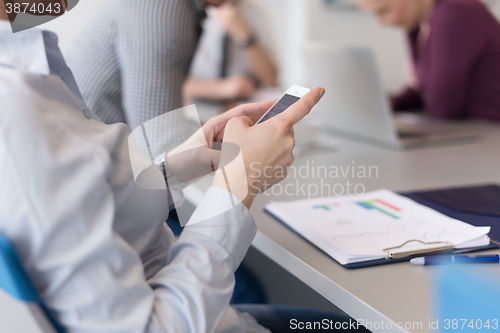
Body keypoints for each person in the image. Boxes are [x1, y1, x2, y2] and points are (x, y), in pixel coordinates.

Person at [1, 2, 374, 332]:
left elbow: (91, 195)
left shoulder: (30, 68)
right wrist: (239, 181)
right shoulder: (18, 106)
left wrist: (173, 166)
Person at [356, 0, 500, 122]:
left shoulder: (454, 13)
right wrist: (391, 103)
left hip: (491, 132)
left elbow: (443, 107)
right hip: (475, 129)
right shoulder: (418, 25)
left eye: (383, 11)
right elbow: (421, 88)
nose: (379, 23)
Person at [183, 0, 278, 104]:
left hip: (243, 106)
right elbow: (171, 81)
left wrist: (245, 37)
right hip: (197, 108)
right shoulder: (185, 11)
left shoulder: (254, 12)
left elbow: (271, 79)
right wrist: (222, 89)